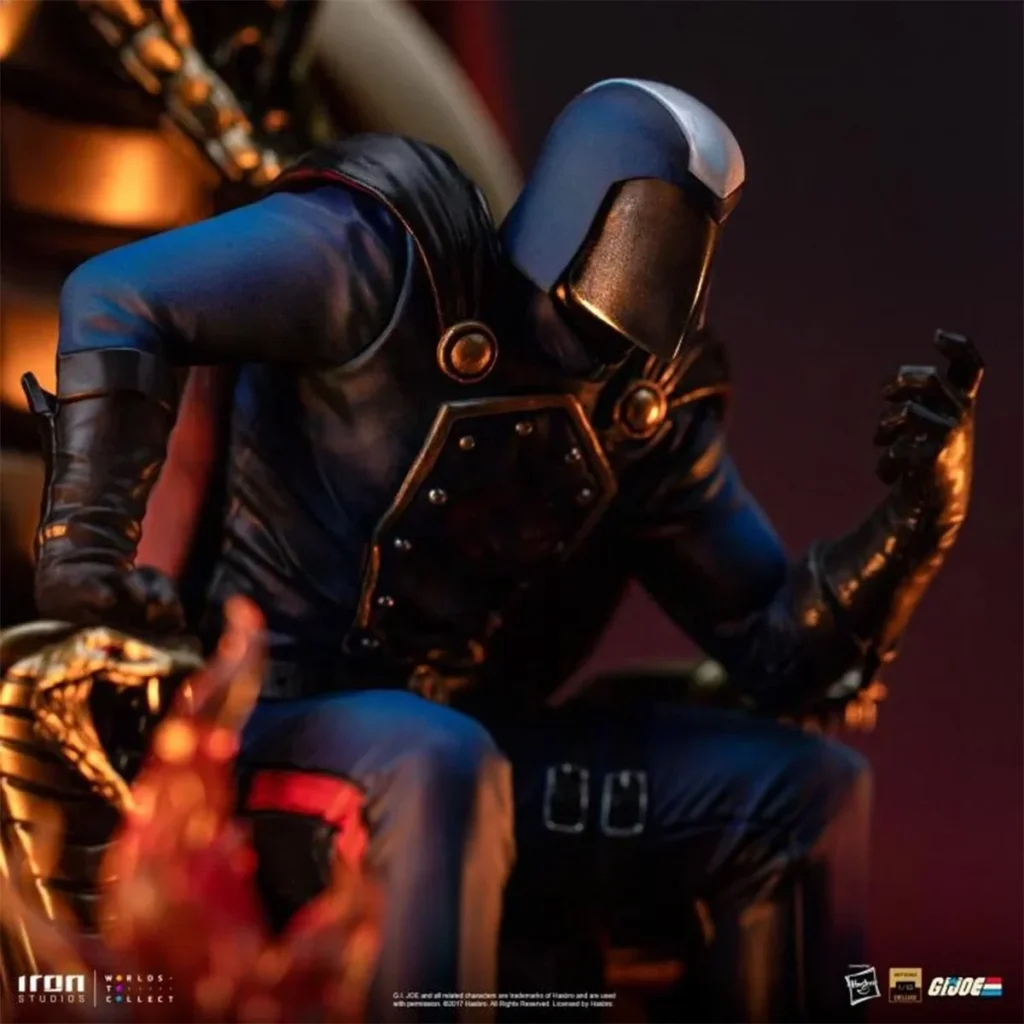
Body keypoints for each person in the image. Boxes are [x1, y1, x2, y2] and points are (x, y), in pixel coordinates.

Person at [24, 79, 982, 1022]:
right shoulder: (389, 263)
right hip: (269, 723)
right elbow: (120, 297)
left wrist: (915, 527)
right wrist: (86, 558)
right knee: (440, 760)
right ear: (583, 206)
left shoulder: (642, 411)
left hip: (471, 748)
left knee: (802, 793)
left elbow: (779, 649)